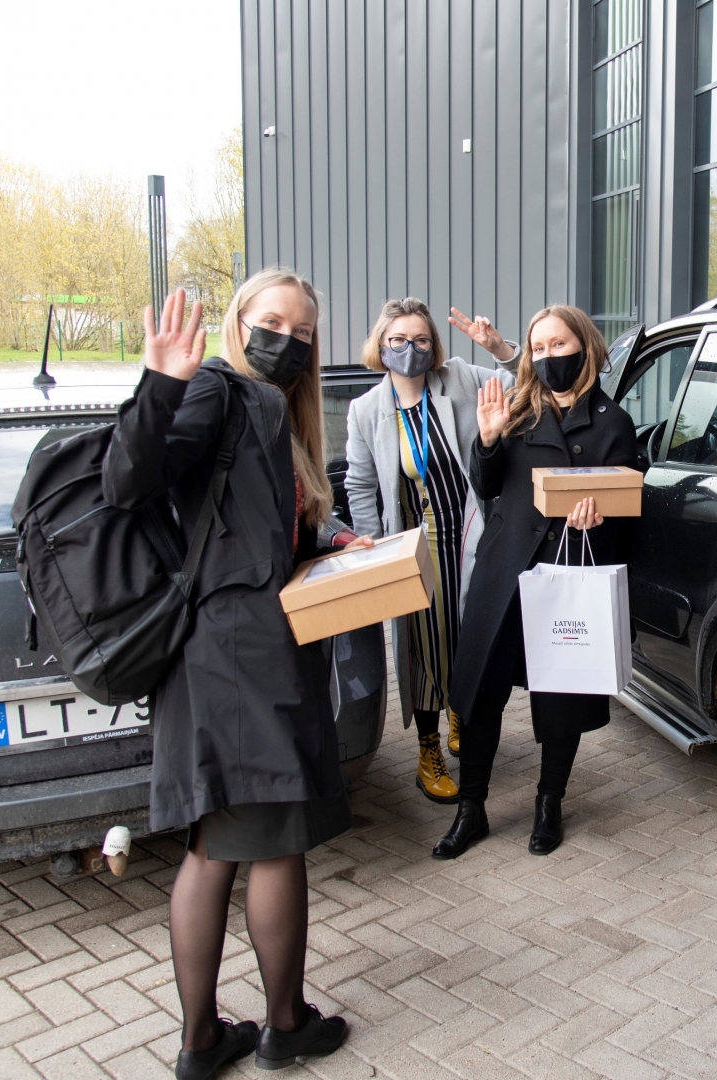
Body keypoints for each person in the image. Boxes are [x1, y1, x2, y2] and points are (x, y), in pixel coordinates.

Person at [105, 272, 353, 1079]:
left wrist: (326, 543)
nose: (288, 339)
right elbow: (126, 480)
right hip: (240, 657)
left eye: (303, 331)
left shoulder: (272, 408)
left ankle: (203, 1041)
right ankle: (283, 1026)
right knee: (270, 845)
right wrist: (160, 384)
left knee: (215, 844)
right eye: (272, 321)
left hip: (227, 654)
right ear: (240, 323)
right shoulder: (216, 389)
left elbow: (248, 530)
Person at [436, 304, 638, 859]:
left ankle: (549, 804)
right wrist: (487, 440)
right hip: (506, 570)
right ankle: (471, 808)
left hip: (568, 573)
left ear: (585, 346)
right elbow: (486, 486)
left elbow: (625, 505)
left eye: (559, 344)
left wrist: (600, 519)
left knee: (560, 696)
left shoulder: (613, 422)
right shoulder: (517, 409)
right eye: (539, 347)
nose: (549, 356)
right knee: (481, 692)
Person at [343, 300, 520, 802]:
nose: (411, 349)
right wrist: (371, 549)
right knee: (424, 646)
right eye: (399, 340)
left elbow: (524, 384)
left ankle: (460, 713)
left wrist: (500, 348)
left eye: (421, 339)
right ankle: (428, 748)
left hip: (469, 536)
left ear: (433, 345)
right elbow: (360, 485)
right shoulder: (366, 410)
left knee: (467, 636)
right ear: (382, 346)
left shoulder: (459, 378)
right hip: (413, 546)